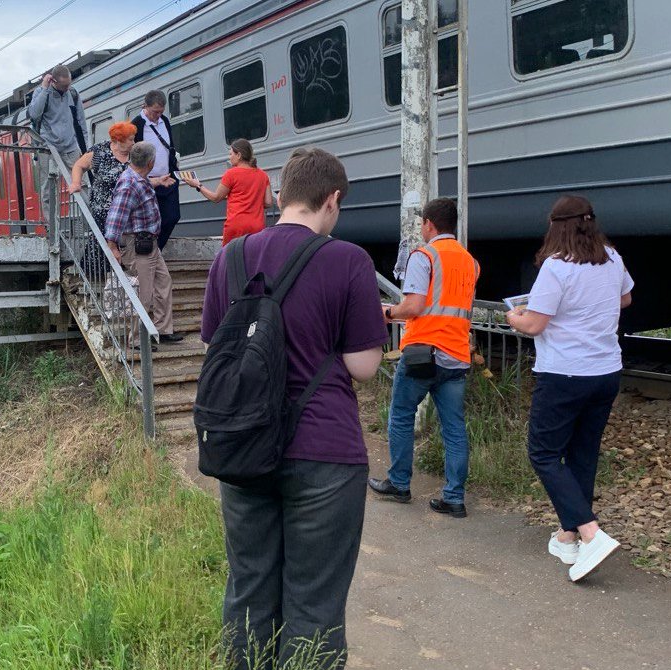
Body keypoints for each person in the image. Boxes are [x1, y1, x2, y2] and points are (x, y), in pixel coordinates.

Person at [200, 147, 386, 669]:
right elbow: (364, 365)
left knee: (249, 592)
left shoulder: (229, 259)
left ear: (279, 196)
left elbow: (216, 345)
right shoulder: (348, 260)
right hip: (325, 452)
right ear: (332, 201)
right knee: (314, 603)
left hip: (242, 445)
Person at [505, 194, 633, 582]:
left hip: (565, 374)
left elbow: (533, 325)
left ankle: (591, 534)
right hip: (606, 371)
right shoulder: (612, 258)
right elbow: (625, 298)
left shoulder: (556, 268)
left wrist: (514, 316)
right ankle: (567, 537)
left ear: (556, 227)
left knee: (543, 453)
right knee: (582, 454)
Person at [368, 198, 479, 518]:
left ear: (429, 224)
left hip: (422, 353)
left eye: (422, 224)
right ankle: (454, 498)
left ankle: (400, 483)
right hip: (456, 356)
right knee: (454, 428)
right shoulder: (470, 262)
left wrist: (387, 312)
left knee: (401, 414)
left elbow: (414, 306)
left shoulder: (425, 255)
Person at [104, 141, 182, 343]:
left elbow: (143, 187)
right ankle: (137, 340)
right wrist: (112, 246)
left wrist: (158, 181)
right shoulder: (129, 184)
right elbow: (116, 216)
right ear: (150, 162)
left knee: (163, 282)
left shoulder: (139, 178)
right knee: (144, 293)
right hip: (138, 245)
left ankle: (162, 330)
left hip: (150, 244)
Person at [181, 139, 274, 246]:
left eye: (231, 154)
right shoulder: (263, 175)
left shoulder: (231, 174)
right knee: (253, 259)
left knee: (230, 260)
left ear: (238, 155)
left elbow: (216, 198)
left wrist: (198, 185)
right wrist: (253, 200)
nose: (229, 157)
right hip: (257, 226)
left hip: (236, 226)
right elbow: (268, 203)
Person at [131, 90, 183, 249]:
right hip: (149, 181)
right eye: (155, 112)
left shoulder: (164, 121)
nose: (158, 115)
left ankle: (156, 250)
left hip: (168, 176)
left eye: (161, 112)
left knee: (172, 216)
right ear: (145, 107)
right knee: (151, 221)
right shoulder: (137, 125)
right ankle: (150, 253)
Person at [27, 64, 88, 170]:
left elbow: (81, 122)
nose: (67, 88)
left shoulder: (73, 93)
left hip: (71, 146)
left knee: (81, 183)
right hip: (48, 147)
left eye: (69, 84)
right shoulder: (41, 92)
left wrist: (85, 149)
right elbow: (34, 114)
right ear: (53, 81)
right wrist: (44, 89)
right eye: (64, 86)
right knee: (48, 186)